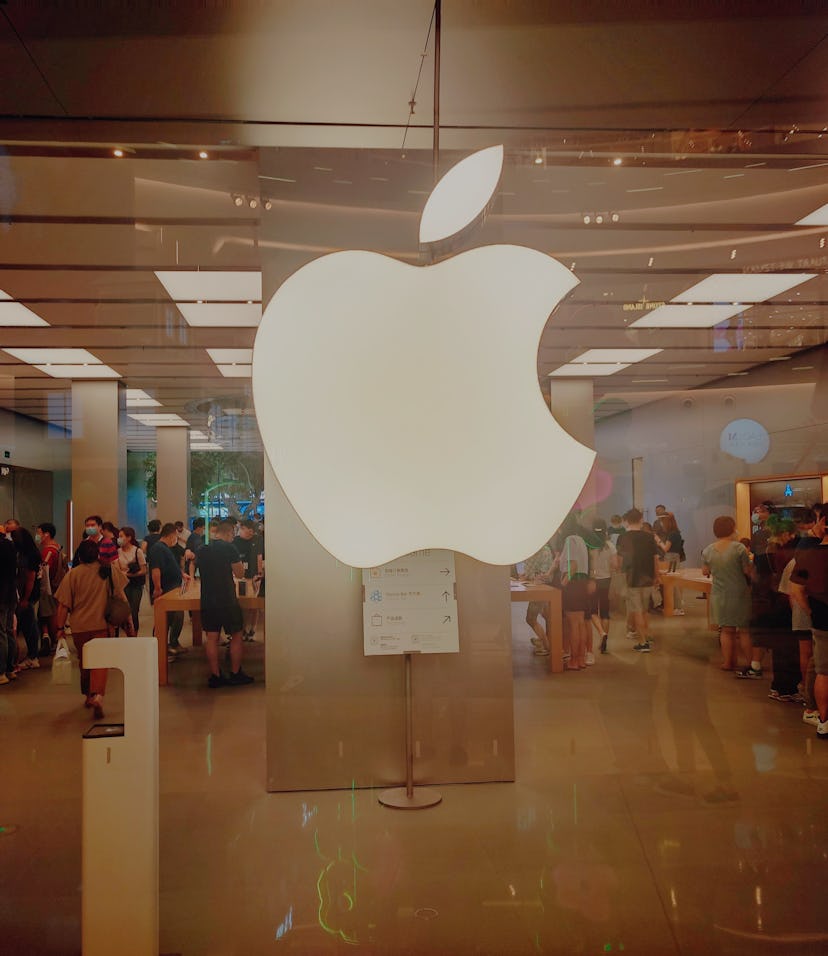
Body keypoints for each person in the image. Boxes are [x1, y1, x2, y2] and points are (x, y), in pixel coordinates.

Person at [53, 538, 128, 719]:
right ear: (97, 554)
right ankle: (98, 695)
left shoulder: (72, 575)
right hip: (102, 625)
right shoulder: (108, 571)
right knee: (100, 662)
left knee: (85, 661)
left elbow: (63, 605)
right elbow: (121, 598)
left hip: (79, 627)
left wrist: (59, 628)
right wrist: (129, 622)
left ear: (79, 555)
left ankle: (88, 695)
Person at [195, 518, 254, 688]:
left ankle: (216, 676)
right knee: (236, 635)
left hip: (207, 598)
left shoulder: (202, 549)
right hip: (227, 598)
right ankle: (235, 673)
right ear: (229, 533)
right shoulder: (230, 548)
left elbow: (197, 569)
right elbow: (240, 572)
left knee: (212, 638)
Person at [701, 515, 761, 676]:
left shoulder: (708, 550)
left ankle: (728, 662)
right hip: (739, 593)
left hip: (719, 593)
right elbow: (747, 570)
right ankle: (750, 664)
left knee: (726, 630)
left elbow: (705, 571)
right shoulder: (739, 548)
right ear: (732, 528)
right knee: (744, 631)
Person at [789, 521, 828, 740]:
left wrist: (811, 610)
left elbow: (796, 589)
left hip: (822, 618)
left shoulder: (809, 555)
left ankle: (823, 721)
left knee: (823, 670)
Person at [617, 508, 659, 652]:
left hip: (632, 577)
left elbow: (620, 560)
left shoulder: (623, 537)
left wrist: (620, 570)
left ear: (627, 521)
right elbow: (655, 558)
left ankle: (643, 642)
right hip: (648, 576)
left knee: (637, 610)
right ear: (641, 520)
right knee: (645, 610)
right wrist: (656, 576)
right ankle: (647, 636)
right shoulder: (649, 537)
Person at [148, 522, 188, 659]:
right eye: (176, 536)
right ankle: (160, 649)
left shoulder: (165, 548)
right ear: (171, 536)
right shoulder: (158, 548)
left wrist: (182, 574)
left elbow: (172, 566)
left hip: (173, 590)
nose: (176, 539)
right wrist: (158, 588)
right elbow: (156, 570)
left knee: (177, 617)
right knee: (163, 620)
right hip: (165, 591)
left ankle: (172, 643)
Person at [11, 527, 42, 669]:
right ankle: (32, 654)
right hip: (26, 593)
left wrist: (25, 598)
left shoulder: (28, 555)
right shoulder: (30, 552)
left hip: (27, 594)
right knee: (27, 623)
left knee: (29, 624)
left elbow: (30, 578)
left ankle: (33, 656)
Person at [520, 542, 556, 657]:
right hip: (540, 586)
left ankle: (546, 646)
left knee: (531, 618)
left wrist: (529, 576)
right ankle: (546, 642)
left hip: (543, 587)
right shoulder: (539, 550)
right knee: (547, 616)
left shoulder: (543, 551)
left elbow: (542, 575)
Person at [589, 518, 617, 655]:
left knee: (592, 611)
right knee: (605, 612)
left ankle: (601, 632)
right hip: (607, 580)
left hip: (593, 581)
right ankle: (603, 641)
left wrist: (593, 575)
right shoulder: (610, 546)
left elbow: (591, 565)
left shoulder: (590, 545)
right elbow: (615, 565)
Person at [233, 519, 263, 640]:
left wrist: (259, 573)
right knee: (243, 604)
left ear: (250, 530)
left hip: (254, 576)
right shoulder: (236, 541)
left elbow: (259, 556)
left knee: (255, 605)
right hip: (240, 578)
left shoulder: (258, 540)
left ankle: (253, 630)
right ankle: (243, 629)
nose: (240, 531)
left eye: (242, 528)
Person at [36, 521, 63, 649]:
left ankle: (54, 640)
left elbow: (45, 570)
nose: (37, 536)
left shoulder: (48, 550)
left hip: (48, 587)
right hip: (55, 586)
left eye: (38, 533)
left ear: (46, 534)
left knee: (50, 613)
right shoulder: (57, 547)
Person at [117, 525, 147, 633]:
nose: (119, 539)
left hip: (135, 584)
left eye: (121, 536)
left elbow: (144, 570)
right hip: (123, 585)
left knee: (134, 610)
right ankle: (127, 632)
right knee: (124, 611)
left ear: (129, 538)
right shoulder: (118, 551)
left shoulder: (137, 551)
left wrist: (130, 575)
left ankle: (135, 633)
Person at [0, 523, 18, 685]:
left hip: (1, 594)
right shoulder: (10, 546)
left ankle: (1, 671)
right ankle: (10, 669)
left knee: (1, 633)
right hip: (11, 592)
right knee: (8, 631)